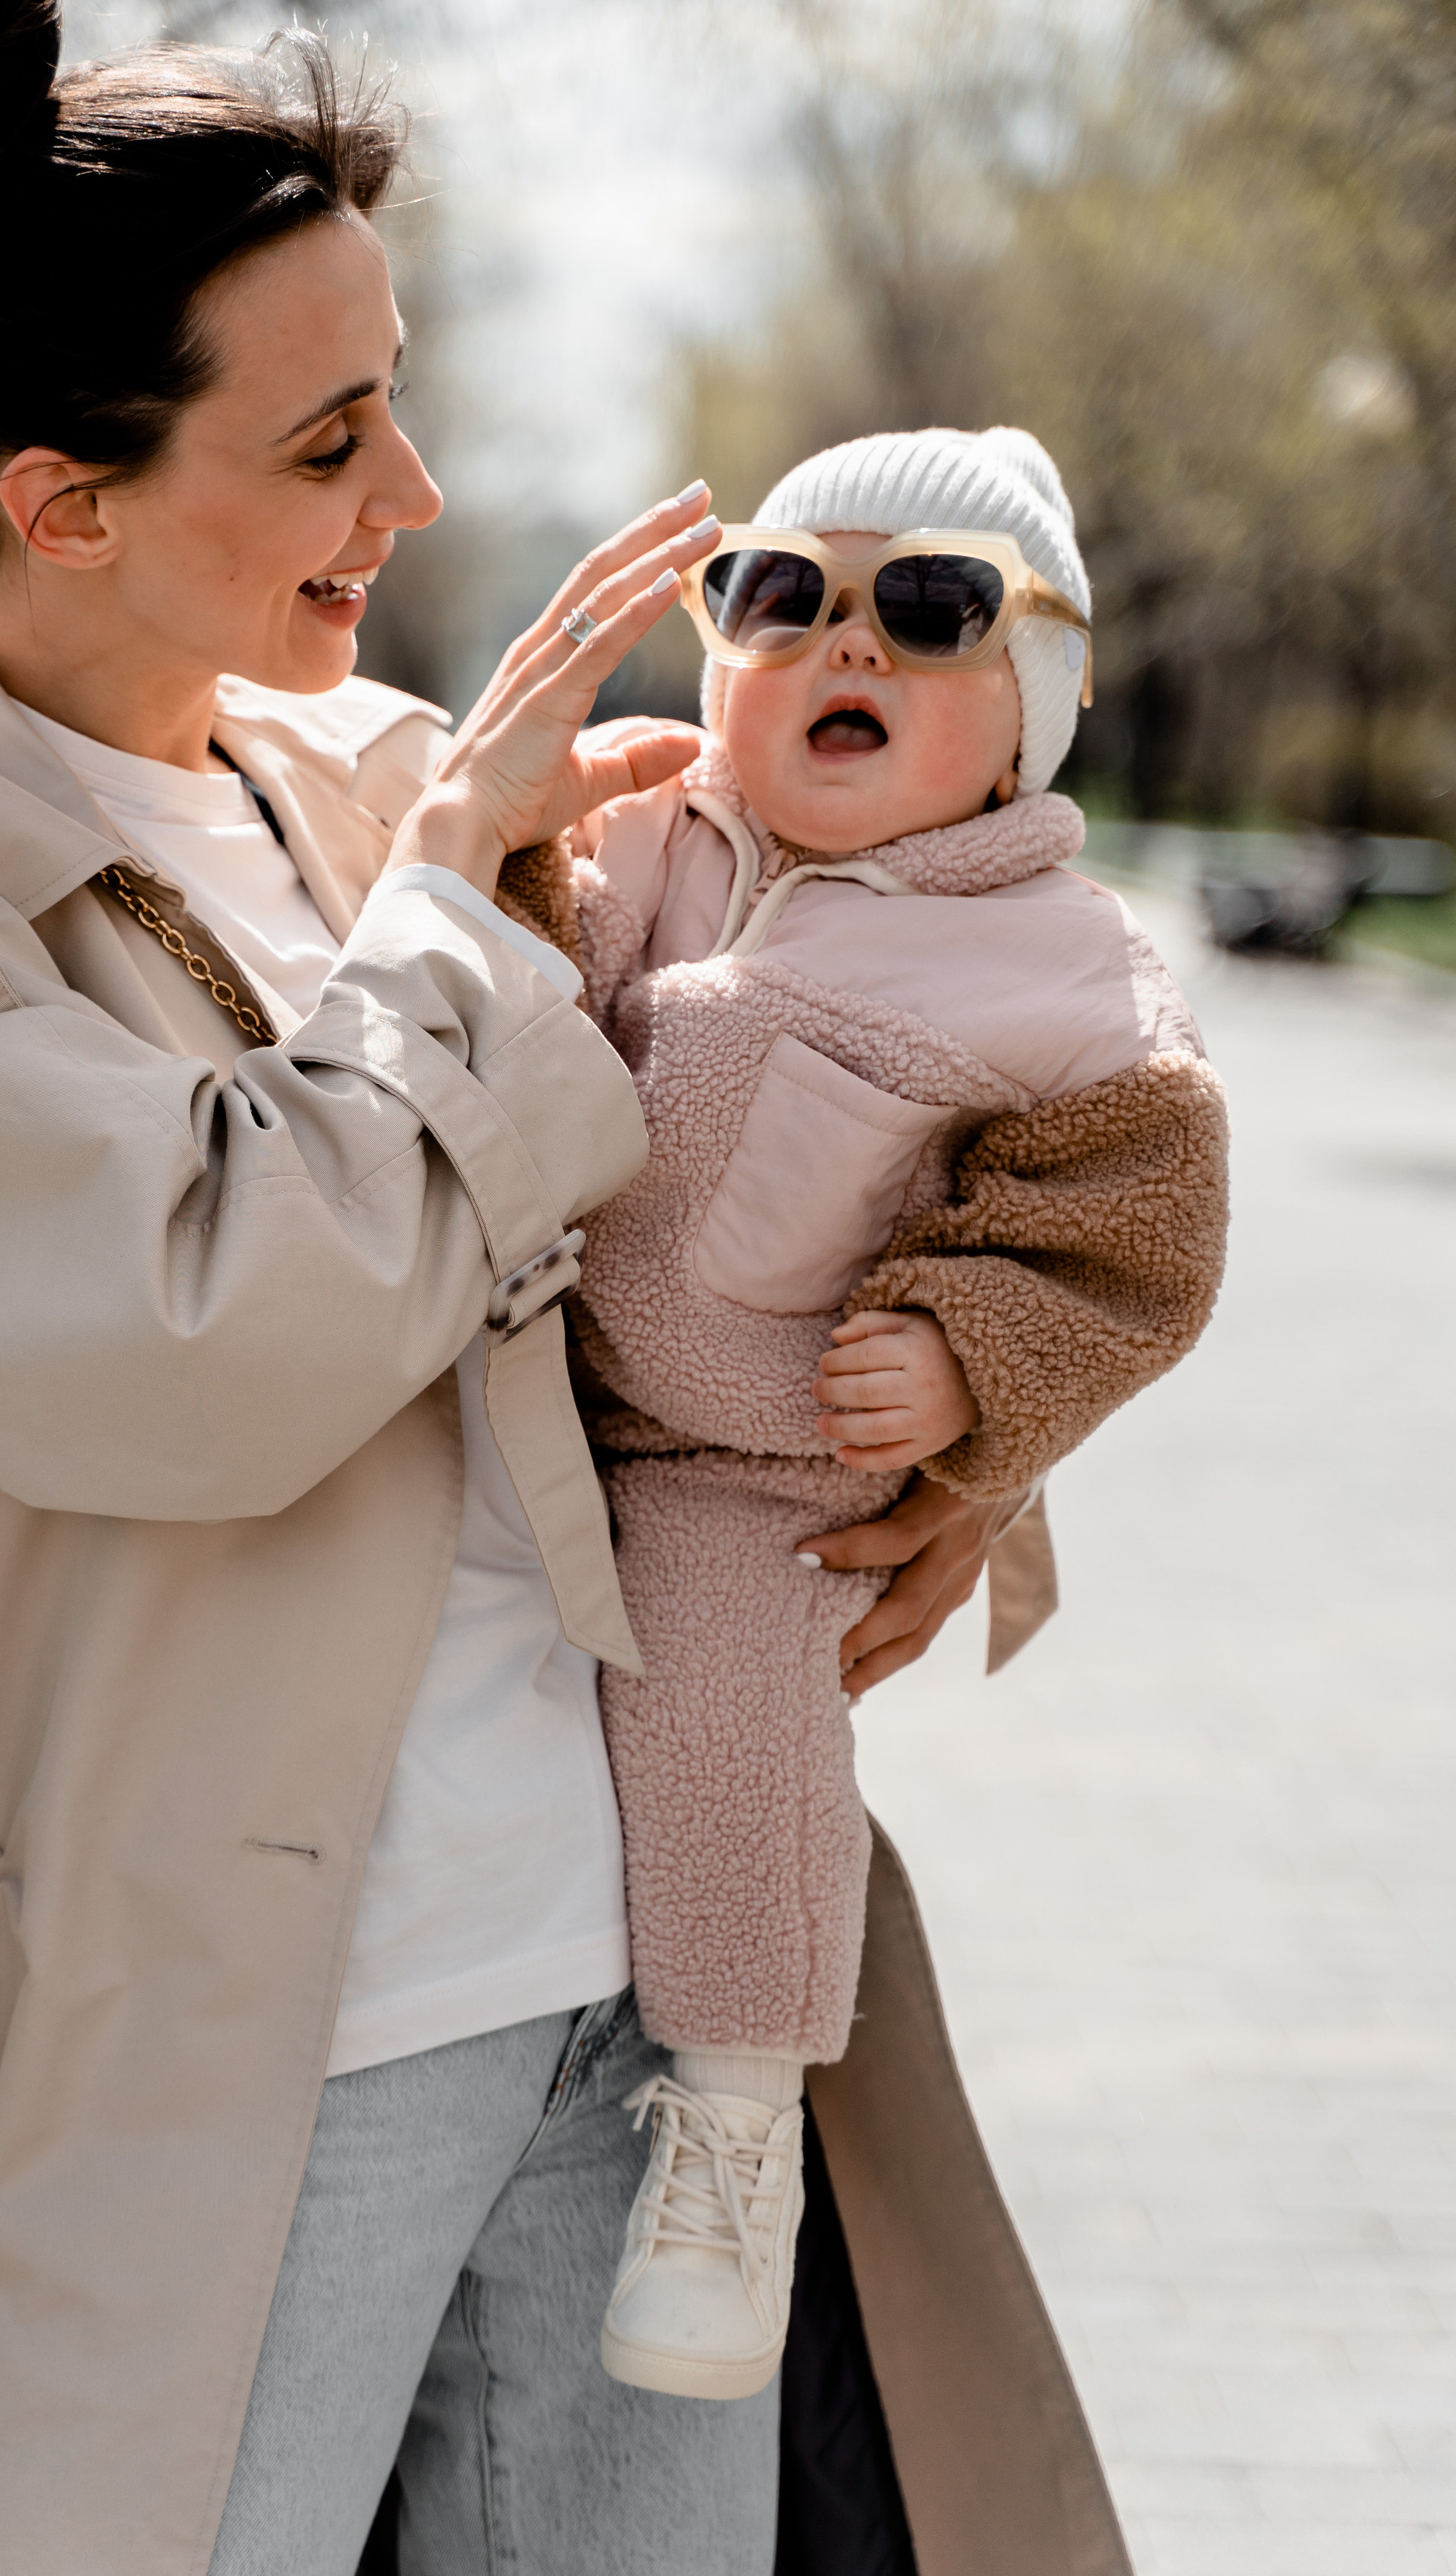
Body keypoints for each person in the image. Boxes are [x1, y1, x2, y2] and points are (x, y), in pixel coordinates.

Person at [0, 0, 1132, 2576]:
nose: (405, 502)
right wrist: (482, 921)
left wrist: (973, 1420)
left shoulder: (386, 786)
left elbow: (896, 1116)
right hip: (221, 2046)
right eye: (332, 438)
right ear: (69, 501)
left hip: (625, 1964)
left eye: (404, 409)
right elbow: (211, 1330)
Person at [518, 427, 1228, 2405]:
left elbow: (1129, 1226)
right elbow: (497, 976)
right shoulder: (651, 842)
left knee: (743, 1712)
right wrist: (509, 857)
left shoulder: (1053, 965)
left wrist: (966, 1355)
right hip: (541, 1395)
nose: (851, 646)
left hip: (766, 1467)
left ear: (1027, 729)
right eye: (782, 596)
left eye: (930, 612)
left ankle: (735, 2134)